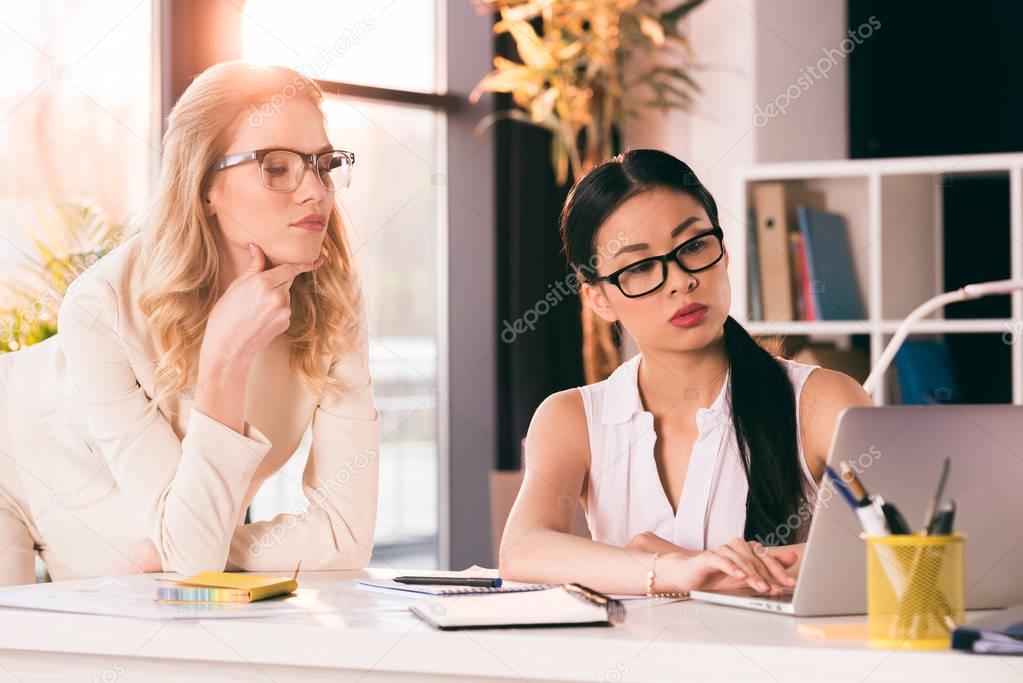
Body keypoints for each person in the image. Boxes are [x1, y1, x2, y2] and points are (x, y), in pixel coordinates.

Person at [0, 62, 379, 584]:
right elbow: (190, 555)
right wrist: (226, 358)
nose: (316, 191)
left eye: (323, 164)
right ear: (204, 186)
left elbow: (346, 540)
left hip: (143, 533)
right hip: (15, 457)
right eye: (277, 167)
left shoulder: (334, 295)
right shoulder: (102, 305)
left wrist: (200, 541)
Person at [500, 149, 872, 595]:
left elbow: (899, 544)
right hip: (622, 663)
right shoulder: (571, 417)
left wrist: (700, 567)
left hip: (778, 662)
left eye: (694, 246)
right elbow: (523, 550)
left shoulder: (821, 400)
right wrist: (671, 571)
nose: (681, 280)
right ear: (598, 298)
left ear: (724, 251)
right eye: (639, 267)